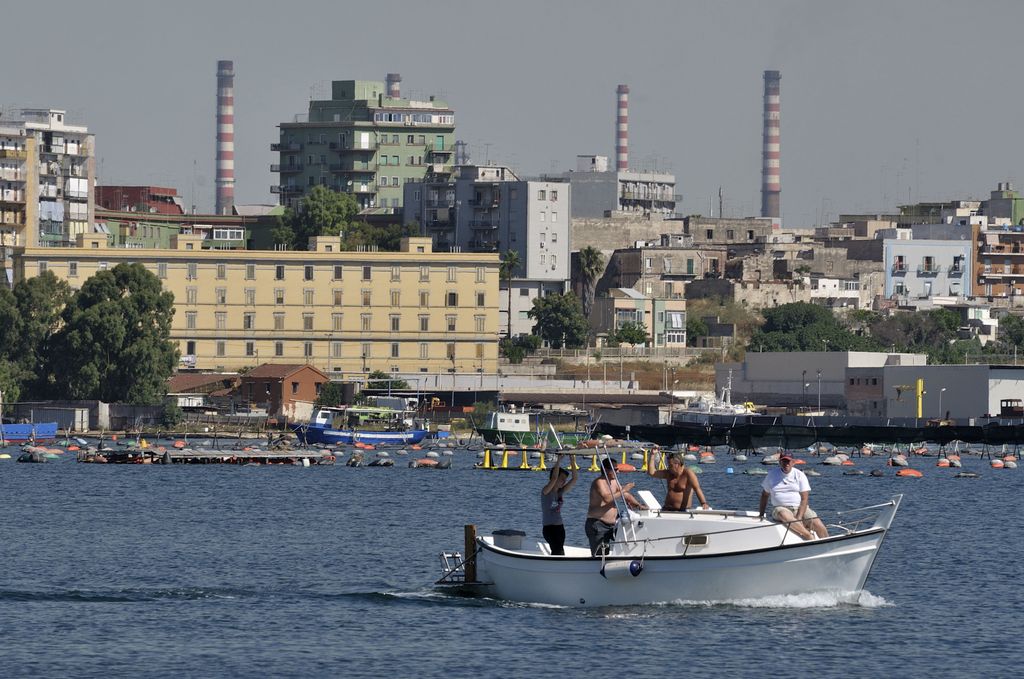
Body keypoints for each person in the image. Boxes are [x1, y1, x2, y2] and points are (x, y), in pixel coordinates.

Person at [758, 453, 828, 540]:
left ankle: (828, 544)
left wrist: (799, 517)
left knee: (818, 524)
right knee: (782, 513)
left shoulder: (799, 475)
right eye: (784, 461)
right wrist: (761, 514)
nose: (786, 464)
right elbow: (765, 495)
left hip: (800, 507)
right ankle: (809, 536)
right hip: (780, 508)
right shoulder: (772, 475)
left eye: (788, 461)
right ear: (780, 462)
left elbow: (804, 498)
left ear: (793, 462)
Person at [585, 457, 647, 556]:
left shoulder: (614, 481)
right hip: (597, 524)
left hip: (612, 525)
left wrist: (639, 505)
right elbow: (607, 499)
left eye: (617, 469)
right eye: (615, 469)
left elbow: (625, 495)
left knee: (628, 541)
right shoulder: (599, 482)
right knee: (600, 555)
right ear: (606, 470)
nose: (618, 472)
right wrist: (624, 489)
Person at [540, 453, 578, 555]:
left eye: (564, 480)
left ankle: (557, 569)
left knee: (559, 551)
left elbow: (574, 479)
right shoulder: (546, 491)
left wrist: (572, 461)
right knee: (558, 551)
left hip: (560, 528)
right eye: (561, 479)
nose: (563, 482)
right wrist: (558, 461)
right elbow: (554, 478)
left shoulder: (560, 491)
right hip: (549, 528)